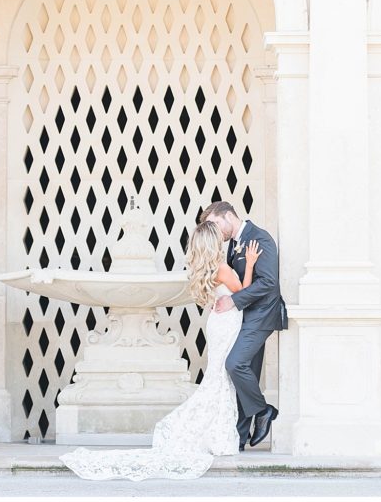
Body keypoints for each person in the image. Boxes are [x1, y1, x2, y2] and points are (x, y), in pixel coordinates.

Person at [59, 220, 260, 480]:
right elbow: (244, 293)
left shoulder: (203, 270)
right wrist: (251, 263)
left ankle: (215, 433)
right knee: (220, 379)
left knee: (217, 378)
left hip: (217, 324)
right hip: (228, 323)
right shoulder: (222, 269)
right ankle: (217, 435)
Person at [200, 200, 287, 451]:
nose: (215, 231)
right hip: (241, 317)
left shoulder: (260, 238)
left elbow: (268, 283)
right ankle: (237, 439)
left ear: (228, 216)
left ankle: (263, 411)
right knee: (241, 375)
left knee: (235, 364)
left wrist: (233, 301)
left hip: (260, 316)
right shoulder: (232, 244)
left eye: (215, 224)